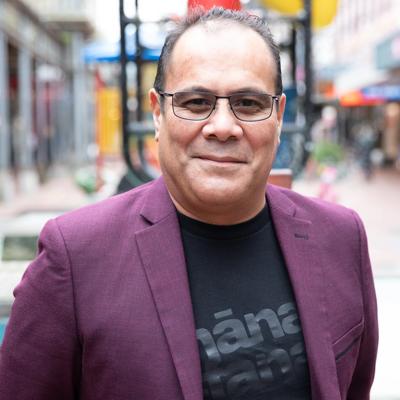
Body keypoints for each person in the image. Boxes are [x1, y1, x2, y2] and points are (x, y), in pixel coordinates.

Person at [0, 7, 378, 400]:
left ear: (278, 115)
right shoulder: (76, 255)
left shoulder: (341, 237)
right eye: (196, 102)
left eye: (248, 103)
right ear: (157, 112)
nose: (223, 127)